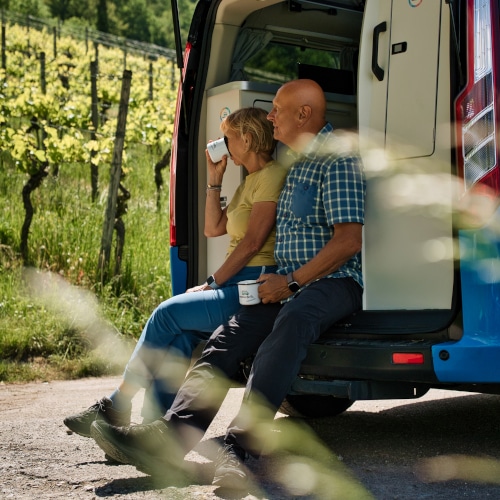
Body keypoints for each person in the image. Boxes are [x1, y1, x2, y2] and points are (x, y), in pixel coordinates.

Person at [89, 79, 366, 490]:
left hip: (332, 281)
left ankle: (240, 449)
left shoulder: (337, 161)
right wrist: (280, 283)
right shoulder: (294, 162)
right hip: (283, 283)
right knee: (227, 337)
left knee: (291, 323)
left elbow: (349, 241)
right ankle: (170, 437)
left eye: (277, 108)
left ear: (304, 114)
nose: (270, 115)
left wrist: (290, 283)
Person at [63, 107, 289, 436]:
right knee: (180, 338)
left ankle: (117, 403)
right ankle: (151, 428)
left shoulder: (270, 176)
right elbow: (213, 228)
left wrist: (212, 282)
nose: (223, 145)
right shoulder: (249, 182)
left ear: (248, 138)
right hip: (237, 284)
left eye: (228, 138)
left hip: (252, 285)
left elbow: (252, 243)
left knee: (165, 314)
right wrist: (215, 179)